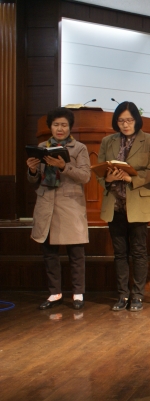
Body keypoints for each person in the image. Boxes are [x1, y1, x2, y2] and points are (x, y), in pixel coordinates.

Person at [98, 102, 150, 312]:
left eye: (129, 120)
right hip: (114, 204)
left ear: (136, 120)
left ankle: (138, 296)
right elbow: (98, 170)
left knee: (139, 252)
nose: (125, 125)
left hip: (138, 202)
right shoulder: (107, 141)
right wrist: (107, 178)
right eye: (121, 121)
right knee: (119, 253)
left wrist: (130, 178)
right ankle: (122, 295)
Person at [26, 107, 90, 310]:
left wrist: (63, 166)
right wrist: (32, 170)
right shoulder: (41, 147)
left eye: (64, 125)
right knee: (49, 253)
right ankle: (55, 293)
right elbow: (34, 180)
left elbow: (85, 176)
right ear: (50, 127)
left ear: (70, 127)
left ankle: (78, 293)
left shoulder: (79, 148)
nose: (60, 129)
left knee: (76, 253)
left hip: (70, 205)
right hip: (46, 204)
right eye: (56, 125)